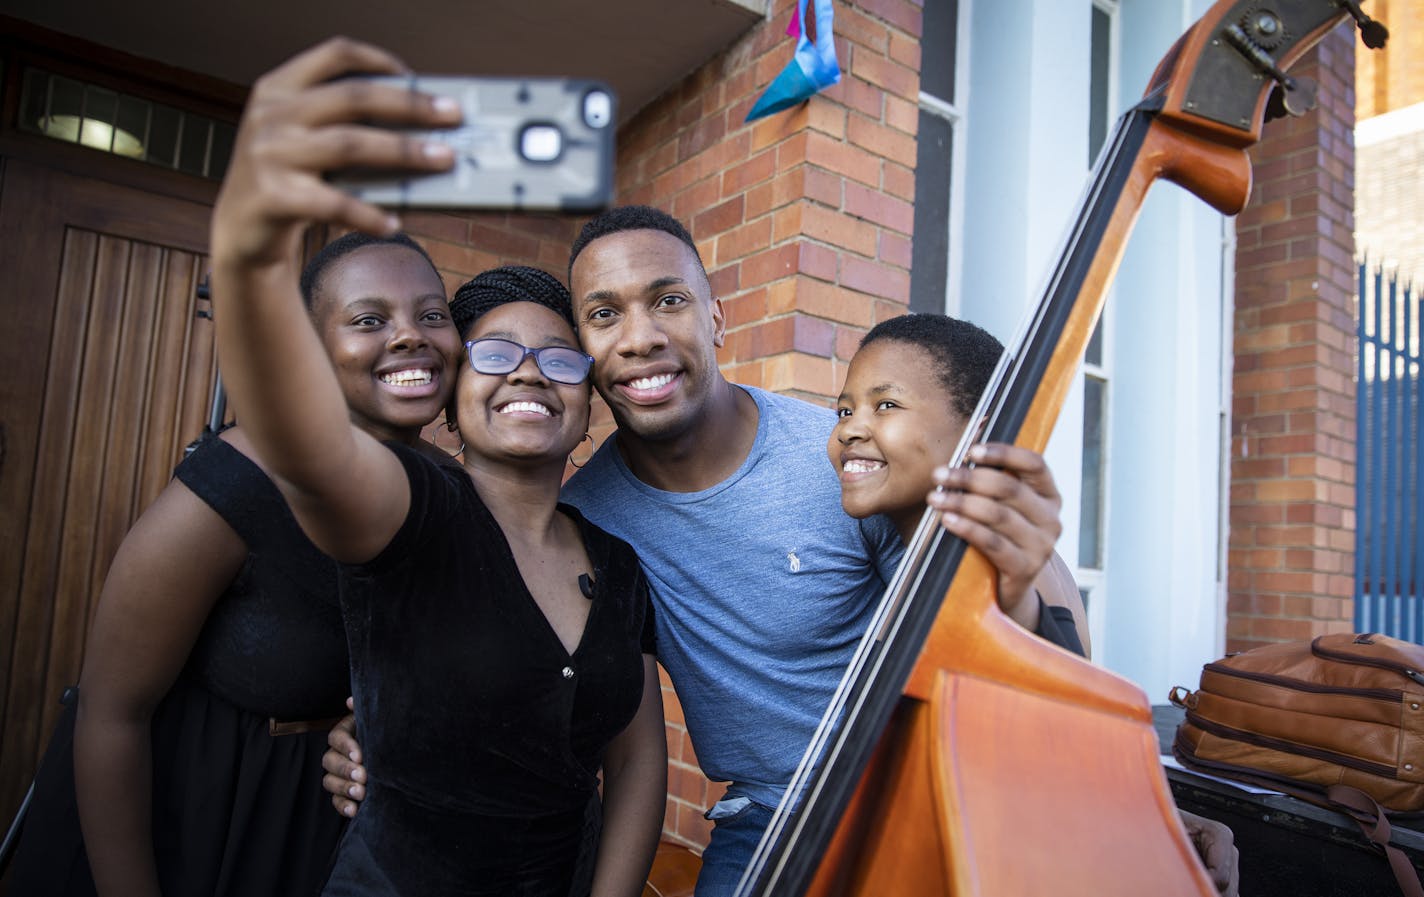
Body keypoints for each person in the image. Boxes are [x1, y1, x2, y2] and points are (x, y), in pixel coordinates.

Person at [328, 203, 1085, 896]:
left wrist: (1112, 784)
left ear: (716, 316)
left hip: (914, 796)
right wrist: (378, 734)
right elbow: (511, 659)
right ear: (587, 353)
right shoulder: (586, 522)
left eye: (668, 300)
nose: (641, 336)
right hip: (763, 825)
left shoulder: (841, 454)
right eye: (603, 314)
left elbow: (1014, 604)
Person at [207, 38, 665, 897]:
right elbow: (308, 451)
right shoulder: (410, 510)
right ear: (453, 396)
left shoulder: (619, 563)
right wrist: (248, 258)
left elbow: (637, 763)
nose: (530, 371)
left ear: (590, 405)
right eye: (496, 352)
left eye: (563, 360)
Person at [5, 229, 462, 897]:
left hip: (328, 844)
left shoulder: (451, 495)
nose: (411, 335)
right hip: (183, 833)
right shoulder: (236, 485)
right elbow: (111, 713)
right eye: (370, 319)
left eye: (432, 315)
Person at [830, 312, 1239, 897]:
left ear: (979, 431)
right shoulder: (934, 554)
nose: (850, 429)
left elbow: (1049, 697)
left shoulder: (987, 568)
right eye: (845, 410)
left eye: (885, 405)